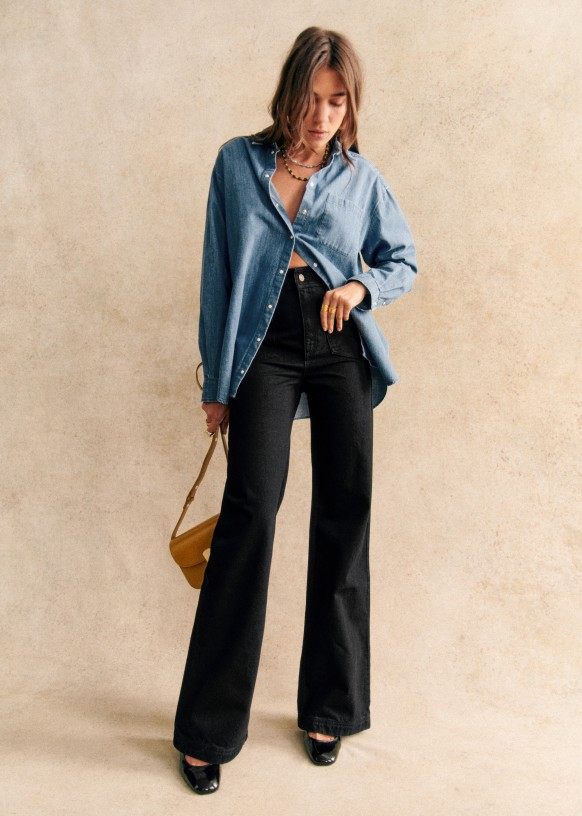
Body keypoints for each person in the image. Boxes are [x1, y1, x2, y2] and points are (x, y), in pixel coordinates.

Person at [173, 26, 418, 794]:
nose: (322, 116)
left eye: (337, 101)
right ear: (289, 95)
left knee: (345, 511)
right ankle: (208, 731)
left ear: (351, 105)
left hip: (340, 344)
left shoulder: (361, 177)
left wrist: (359, 286)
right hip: (264, 348)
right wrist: (218, 384)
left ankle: (331, 709)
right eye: (312, 98)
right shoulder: (236, 164)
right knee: (250, 512)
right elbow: (218, 274)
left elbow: (402, 259)